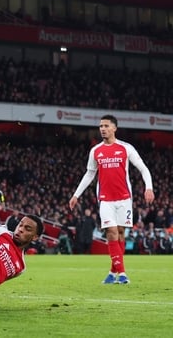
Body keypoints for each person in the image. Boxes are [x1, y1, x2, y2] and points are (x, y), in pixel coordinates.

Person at [68, 114, 154, 284]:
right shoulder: (96, 151)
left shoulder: (125, 148)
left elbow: (143, 169)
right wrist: (76, 194)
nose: (102, 129)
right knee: (112, 232)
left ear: (114, 128)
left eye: (106, 126)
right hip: (105, 199)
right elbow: (89, 174)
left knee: (121, 233)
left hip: (124, 199)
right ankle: (122, 273)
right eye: (101, 126)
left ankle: (112, 271)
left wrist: (148, 187)